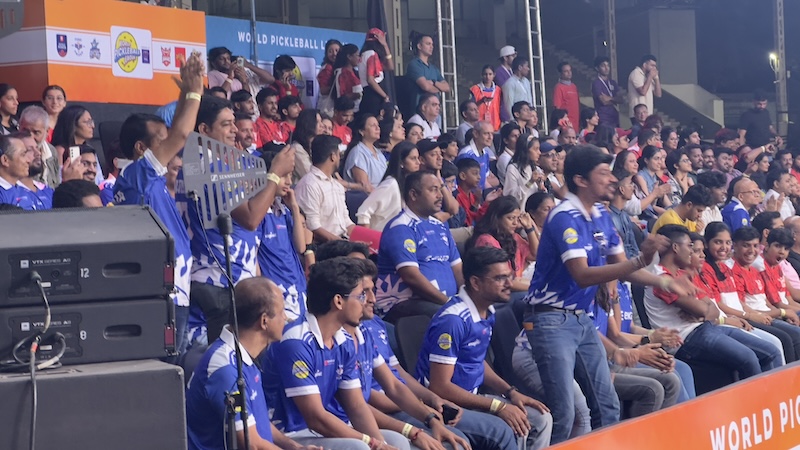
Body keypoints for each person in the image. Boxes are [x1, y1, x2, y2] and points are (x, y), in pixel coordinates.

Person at [522, 145, 694, 444]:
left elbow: (621, 269)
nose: (611, 180)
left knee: (607, 404)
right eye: (603, 174)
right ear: (581, 180)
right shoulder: (564, 216)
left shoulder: (601, 214)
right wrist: (641, 259)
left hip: (579, 319)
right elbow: (583, 273)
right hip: (550, 320)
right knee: (565, 411)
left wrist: (662, 282)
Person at [261, 258, 409, 450]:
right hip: (290, 434)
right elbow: (315, 418)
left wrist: (380, 444)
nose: (368, 301)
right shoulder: (296, 342)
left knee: (396, 441)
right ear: (338, 301)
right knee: (360, 448)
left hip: (318, 432)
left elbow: (356, 406)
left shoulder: (343, 340)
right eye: (361, 296)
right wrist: (371, 443)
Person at [416, 246, 553, 449]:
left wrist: (510, 392)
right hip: (445, 407)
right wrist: (497, 406)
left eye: (509, 276)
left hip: (473, 398)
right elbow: (440, 386)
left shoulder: (487, 310)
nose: (509, 284)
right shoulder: (453, 321)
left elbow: (476, 361)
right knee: (509, 426)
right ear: (476, 283)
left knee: (541, 418)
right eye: (500, 278)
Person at [187, 95, 297, 345]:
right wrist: (275, 174)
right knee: (235, 360)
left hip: (221, 277)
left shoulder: (196, 161)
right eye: (226, 124)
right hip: (221, 281)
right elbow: (251, 218)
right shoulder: (211, 166)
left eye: (234, 123)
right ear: (204, 129)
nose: (234, 130)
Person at [114, 54, 205, 356]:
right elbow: (180, 134)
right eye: (160, 141)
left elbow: (174, 130)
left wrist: (183, 96)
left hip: (174, 292)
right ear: (141, 148)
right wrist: (194, 93)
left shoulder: (143, 178)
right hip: (163, 294)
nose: (170, 147)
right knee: (165, 375)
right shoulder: (137, 175)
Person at [186, 277, 321, 450]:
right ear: (264, 321)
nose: (286, 318)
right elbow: (252, 444)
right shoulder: (226, 368)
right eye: (281, 312)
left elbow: (258, 422)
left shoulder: (244, 356)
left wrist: (296, 447)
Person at [646, 225, 780, 379]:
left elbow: (712, 309)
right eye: (690, 246)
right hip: (687, 338)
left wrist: (703, 312)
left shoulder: (682, 274)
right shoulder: (662, 278)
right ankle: (758, 402)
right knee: (748, 358)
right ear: (675, 247)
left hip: (706, 327)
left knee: (771, 351)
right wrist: (703, 311)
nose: (692, 251)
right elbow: (703, 310)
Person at [376, 171, 464, 322]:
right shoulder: (401, 227)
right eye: (433, 190)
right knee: (451, 318)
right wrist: (448, 303)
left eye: (440, 188)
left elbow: (457, 268)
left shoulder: (439, 225)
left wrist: (466, 298)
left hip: (440, 301)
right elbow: (412, 277)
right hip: (402, 304)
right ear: (414, 195)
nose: (440, 195)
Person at [731, 226, 800, 362]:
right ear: (767, 245)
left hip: (771, 313)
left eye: (786, 249)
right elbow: (743, 305)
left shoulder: (764, 269)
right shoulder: (758, 267)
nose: (782, 252)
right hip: (755, 317)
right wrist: (783, 313)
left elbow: (776, 301)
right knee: (790, 336)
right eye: (778, 246)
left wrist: (784, 314)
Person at [257, 149, 310, 323]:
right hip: (278, 294)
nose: (289, 182)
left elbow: (301, 247)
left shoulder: (284, 209)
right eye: (284, 176)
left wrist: (295, 208)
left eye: (291, 176)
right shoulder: (257, 214)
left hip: (297, 289)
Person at [466, 197, 538, 293]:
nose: (515, 223)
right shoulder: (486, 240)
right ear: (497, 218)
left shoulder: (514, 237)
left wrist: (529, 228)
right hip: (498, 293)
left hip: (513, 287)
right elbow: (503, 281)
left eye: (517, 219)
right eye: (511, 218)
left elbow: (536, 255)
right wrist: (537, 288)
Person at [295, 135, 355, 242]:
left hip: (342, 241)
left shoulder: (337, 186)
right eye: (338, 154)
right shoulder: (309, 184)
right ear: (332, 156)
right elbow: (313, 227)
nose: (339, 158)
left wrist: (366, 238)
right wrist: (344, 244)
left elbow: (346, 222)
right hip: (323, 246)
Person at [357, 141, 420, 231]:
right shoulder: (390, 184)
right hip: (381, 238)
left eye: (418, 158)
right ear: (401, 162)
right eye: (413, 158)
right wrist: (367, 239)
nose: (418, 162)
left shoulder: (408, 183)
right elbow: (363, 212)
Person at [343, 114, 387, 193]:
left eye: (378, 125)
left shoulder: (379, 154)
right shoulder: (358, 153)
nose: (378, 128)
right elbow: (365, 187)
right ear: (362, 131)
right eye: (373, 125)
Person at [406, 32, 450, 109]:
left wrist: (433, 82)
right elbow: (426, 87)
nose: (431, 47)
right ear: (419, 46)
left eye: (432, 44)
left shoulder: (434, 68)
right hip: (420, 110)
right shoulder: (414, 64)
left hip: (435, 110)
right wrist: (439, 88)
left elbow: (447, 87)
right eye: (428, 44)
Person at [19, 105, 59, 188]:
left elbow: (56, 184)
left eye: (36, 132)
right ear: (19, 127)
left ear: (47, 131)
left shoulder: (52, 151)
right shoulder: (11, 151)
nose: (30, 137)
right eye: (25, 131)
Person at [358, 28, 395, 118]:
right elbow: (370, 80)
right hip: (374, 96)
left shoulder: (364, 54)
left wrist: (385, 46)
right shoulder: (371, 54)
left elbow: (390, 66)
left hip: (368, 95)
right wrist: (385, 96)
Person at [454, 158, 500, 226]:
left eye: (479, 174)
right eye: (475, 173)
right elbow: (468, 222)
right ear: (463, 176)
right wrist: (476, 202)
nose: (479, 177)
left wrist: (487, 202)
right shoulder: (457, 196)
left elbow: (479, 218)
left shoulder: (472, 195)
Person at [455, 121, 498, 190]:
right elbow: (462, 183)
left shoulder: (486, 154)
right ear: (475, 134)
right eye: (486, 133)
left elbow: (484, 181)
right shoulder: (466, 154)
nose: (490, 137)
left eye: (492, 134)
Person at [504, 134, 543, 208]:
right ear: (525, 150)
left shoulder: (536, 169)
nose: (539, 152)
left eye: (539, 149)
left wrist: (541, 188)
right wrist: (530, 182)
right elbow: (511, 198)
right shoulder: (513, 169)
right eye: (535, 149)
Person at [51, 104, 96, 169]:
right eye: (87, 122)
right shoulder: (60, 151)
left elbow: (99, 177)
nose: (92, 126)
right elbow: (58, 177)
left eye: (91, 121)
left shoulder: (89, 149)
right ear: (73, 125)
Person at [291, 108, 323, 181]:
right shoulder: (296, 148)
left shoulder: (316, 146)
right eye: (318, 122)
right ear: (308, 123)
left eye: (321, 121)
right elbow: (310, 175)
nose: (322, 125)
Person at [591, 56, 623, 127]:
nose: (606, 68)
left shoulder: (612, 82)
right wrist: (615, 99)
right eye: (603, 65)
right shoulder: (596, 83)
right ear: (597, 68)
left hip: (614, 116)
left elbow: (621, 100)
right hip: (603, 117)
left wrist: (610, 98)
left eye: (608, 65)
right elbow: (604, 101)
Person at [627, 55, 662, 119]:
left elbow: (658, 94)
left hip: (648, 114)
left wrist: (656, 78)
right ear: (644, 65)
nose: (654, 68)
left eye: (655, 66)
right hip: (637, 115)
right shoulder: (636, 73)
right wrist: (650, 76)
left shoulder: (648, 76)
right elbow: (643, 92)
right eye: (652, 65)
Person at [469, 65, 502, 132]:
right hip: (480, 126)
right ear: (481, 75)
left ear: (494, 75)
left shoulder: (498, 90)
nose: (487, 77)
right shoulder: (475, 89)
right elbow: (470, 107)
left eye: (490, 74)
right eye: (485, 74)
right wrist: (481, 101)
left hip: (495, 125)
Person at [333, 44, 364, 112]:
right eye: (357, 55)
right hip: (348, 111)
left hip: (357, 110)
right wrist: (357, 95)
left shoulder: (354, 72)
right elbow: (342, 96)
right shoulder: (343, 73)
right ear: (349, 56)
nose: (359, 58)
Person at [502, 57, 533, 122]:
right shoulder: (509, 83)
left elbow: (530, 99)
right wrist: (512, 120)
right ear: (520, 67)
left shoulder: (526, 81)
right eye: (526, 66)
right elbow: (509, 104)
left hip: (528, 117)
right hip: (517, 119)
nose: (528, 69)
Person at [553, 62, 579, 129]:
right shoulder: (558, 87)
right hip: (566, 125)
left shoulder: (574, 86)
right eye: (566, 71)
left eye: (570, 70)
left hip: (576, 123)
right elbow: (557, 108)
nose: (569, 73)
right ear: (560, 73)